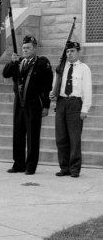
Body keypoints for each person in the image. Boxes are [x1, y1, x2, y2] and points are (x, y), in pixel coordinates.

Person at [3, 36, 53, 175]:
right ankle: (18, 164)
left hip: (33, 103)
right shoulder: (18, 62)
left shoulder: (42, 63)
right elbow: (6, 74)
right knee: (18, 134)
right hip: (19, 103)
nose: (25, 50)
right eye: (24, 48)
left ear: (35, 48)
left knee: (32, 135)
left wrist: (46, 106)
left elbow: (48, 85)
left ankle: (30, 165)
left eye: (28, 48)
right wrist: (11, 63)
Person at [50, 41, 92, 178]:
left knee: (74, 138)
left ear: (78, 52)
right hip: (61, 103)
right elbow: (55, 85)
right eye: (67, 52)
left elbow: (87, 90)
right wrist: (52, 94)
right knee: (61, 137)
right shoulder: (61, 68)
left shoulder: (84, 68)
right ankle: (64, 167)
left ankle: (74, 168)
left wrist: (85, 109)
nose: (70, 54)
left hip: (75, 103)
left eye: (72, 51)